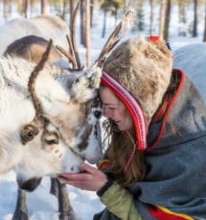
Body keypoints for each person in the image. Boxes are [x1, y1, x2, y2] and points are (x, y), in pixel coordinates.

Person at [58, 35, 206, 219]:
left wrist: (105, 188)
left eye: (111, 107)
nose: (106, 113)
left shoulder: (190, 156)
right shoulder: (141, 127)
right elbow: (119, 167)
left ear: (139, 106)